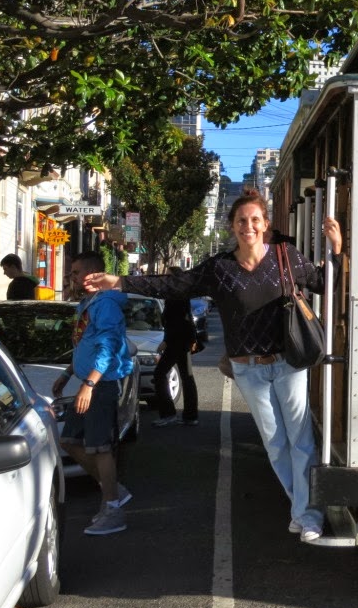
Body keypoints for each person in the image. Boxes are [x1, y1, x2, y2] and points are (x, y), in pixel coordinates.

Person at [84, 188, 343, 544]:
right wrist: (121, 281)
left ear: (266, 225)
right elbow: (174, 284)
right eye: (241, 221)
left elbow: (324, 282)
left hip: (288, 362)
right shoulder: (220, 269)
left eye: (255, 220)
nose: (248, 226)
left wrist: (337, 250)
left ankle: (307, 516)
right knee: (276, 444)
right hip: (248, 369)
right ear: (232, 226)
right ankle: (301, 509)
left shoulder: (287, 257)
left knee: (301, 442)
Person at [52, 250, 135, 535]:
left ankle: (113, 508)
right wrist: (68, 373)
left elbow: (108, 346)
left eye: (75, 272)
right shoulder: (89, 304)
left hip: (101, 385)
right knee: (70, 441)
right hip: (87, 382)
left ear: (90, 276)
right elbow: (85, 345)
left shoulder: (106, 304)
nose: (71, 277)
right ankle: (114, 490)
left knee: (99, 447)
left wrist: (89, 384)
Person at [151, 267, 200, 427]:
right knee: (187, 377)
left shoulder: (176, 295)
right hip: (182, 340)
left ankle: (169, 414)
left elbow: (178, 321)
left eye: (168, 275)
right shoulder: (180, 293)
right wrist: (192, 338)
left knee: (160, 374)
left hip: (177, 341)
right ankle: (190, 416)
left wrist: (166, 340)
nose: (165, 277)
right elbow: (187, 318)